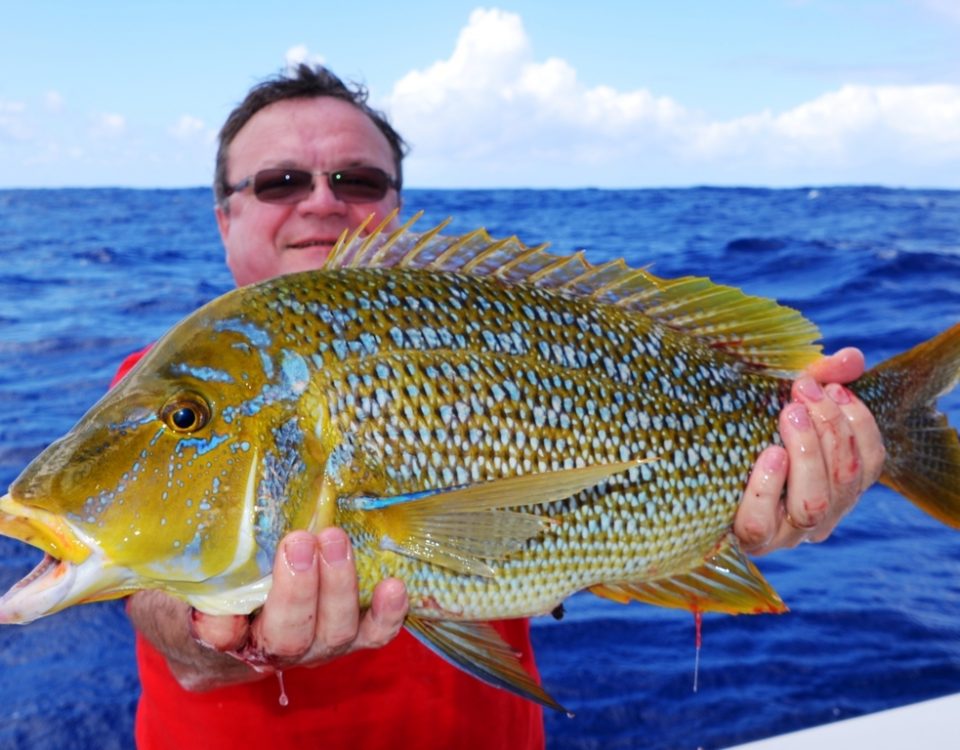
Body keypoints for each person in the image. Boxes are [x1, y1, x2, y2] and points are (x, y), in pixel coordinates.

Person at [114, 65, 885, 749]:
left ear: (397, 207)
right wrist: (204, 633)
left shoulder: (487, 325)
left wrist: (779, 473)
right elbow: (144, 579)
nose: (321, 203)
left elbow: (587, 519)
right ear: (224, 218)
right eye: (280, 182)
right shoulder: (158, 386)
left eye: (358, 181)